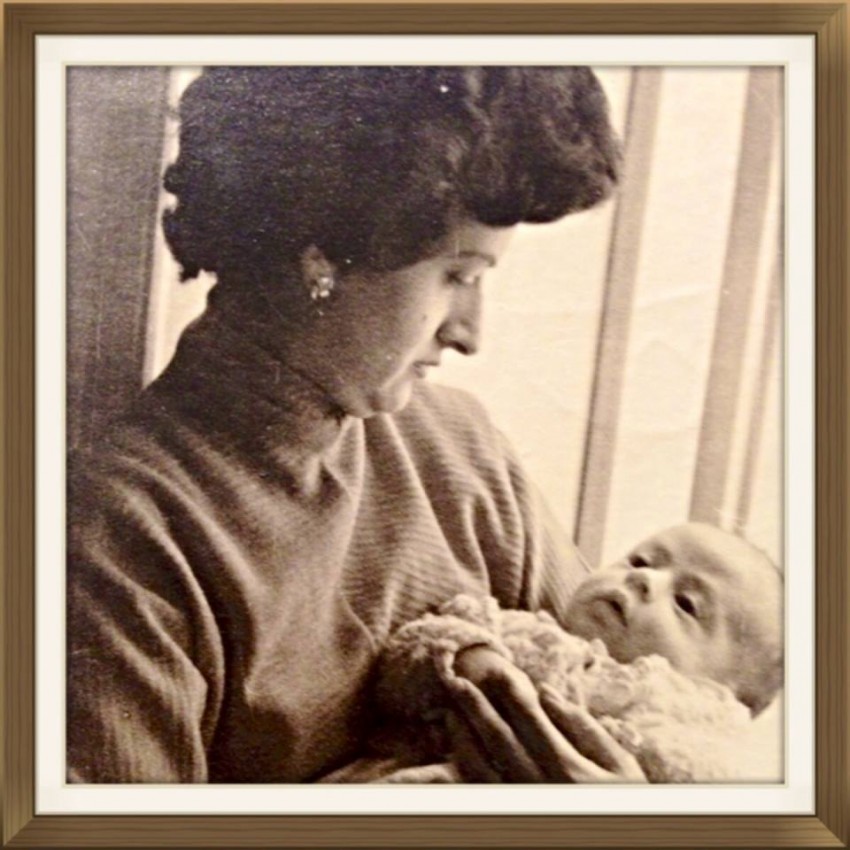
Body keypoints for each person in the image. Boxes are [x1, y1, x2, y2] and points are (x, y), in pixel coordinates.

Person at [67, 66, 623, 783]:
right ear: (323, 256)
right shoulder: (122, 536)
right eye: (458, 276)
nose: (470, 334)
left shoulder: (462, 451)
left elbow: (632, 703)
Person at [358, 522, 783, 783]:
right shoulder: (525, 633)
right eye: (640, 561)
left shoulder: (695, 740)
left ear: (723, 697)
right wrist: (468, 656)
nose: (645, 580)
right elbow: (409, 655)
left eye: (686, 604)